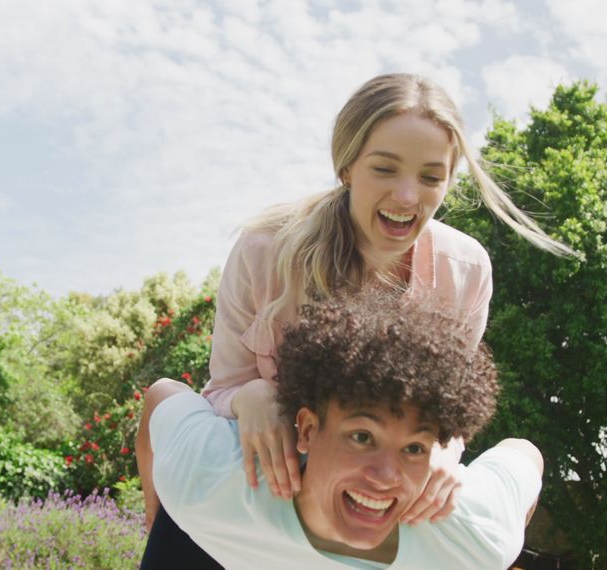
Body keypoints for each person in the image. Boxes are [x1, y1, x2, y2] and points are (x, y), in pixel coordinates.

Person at [135, 72, 572, 567]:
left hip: (370, 510)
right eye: (385, 169)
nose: (408, 196)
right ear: (347, 166)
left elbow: (446, 413)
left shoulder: (465, 271)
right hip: (259, 491)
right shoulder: (264, 250)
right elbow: (214, 392)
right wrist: (252, 396)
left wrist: (444, 457)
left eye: (431, 177)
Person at [146, 298, 543, 570]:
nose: (387, 475)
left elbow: (525, 453)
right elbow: (162, 394)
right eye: (362, 437)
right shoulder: (209, 483)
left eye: (413, 447)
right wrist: (162, 517)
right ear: (307, 429)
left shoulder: (470, 537)